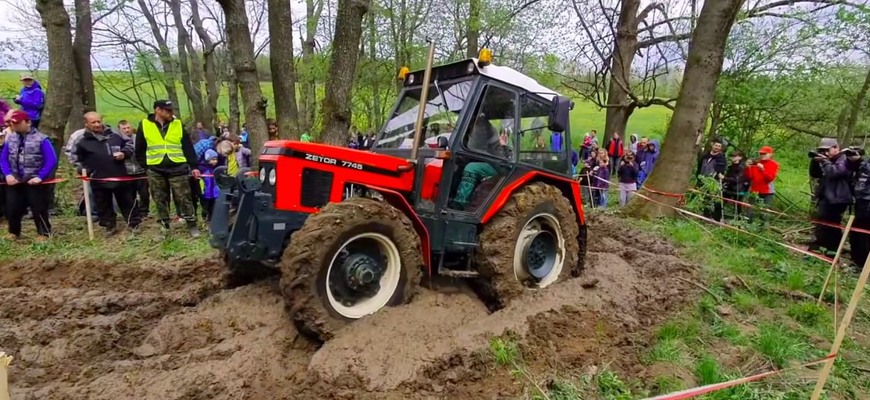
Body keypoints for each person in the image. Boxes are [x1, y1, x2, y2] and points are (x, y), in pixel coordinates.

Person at [135, 100, 202, 238]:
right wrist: (145, 166)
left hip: (178, 167)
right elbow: (139, 148)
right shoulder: (145, 124)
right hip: (155, 169)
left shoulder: (177, 124)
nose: (171, 113)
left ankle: (192, 224)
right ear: (158, 110)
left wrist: (194, 166)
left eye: (172, 110)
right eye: (168, 110)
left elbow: (187, 146)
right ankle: (164, 227)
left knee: (184, 198)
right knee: (159, 199)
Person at [75, 112, 141, 236]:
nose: (97, 124)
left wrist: (124, 153)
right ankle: (109, 225)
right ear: (86, 124)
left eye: (99, 121)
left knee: (127, 201)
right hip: (98, 178)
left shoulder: (116, 135)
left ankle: (133, 224)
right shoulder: (82, 141)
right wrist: (84, 169)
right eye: (93, 122)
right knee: (103, 204)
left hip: (120, 175)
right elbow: (77, 159)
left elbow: (130, 145)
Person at [0, 110, 57, 241]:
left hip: (35, 181)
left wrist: (40, 177)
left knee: (39, 208)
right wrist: (8, 174)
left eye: (18, 123)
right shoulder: (11, 139)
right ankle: (13, 232)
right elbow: (3, 159)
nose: (15, 126)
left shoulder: (42, 139)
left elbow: (51, 160)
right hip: (15, 180)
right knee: (12, 208)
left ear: (28, 122)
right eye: (13, 124)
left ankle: (44, 233)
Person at [808, 139, 851, 255]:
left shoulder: (845, 159)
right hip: (826, 197)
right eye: (822, 150)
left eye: (827, 150)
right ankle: (829, 250)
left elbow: (835, 172)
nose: (825, 153)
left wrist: (825, 161)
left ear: (836, 148)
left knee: (828, 224)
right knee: (827, 225)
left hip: (838, 198)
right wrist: (815, 161)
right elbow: (815, 174)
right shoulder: (827, 161)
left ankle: (819, 249)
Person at [118, 120, 150, 218]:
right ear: (119, 130)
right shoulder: (117, 141)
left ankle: (144, 212)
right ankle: (134, 213)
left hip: (140, 171)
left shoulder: (138, 138)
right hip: (126, 172)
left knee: (144, 194)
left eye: (128, 128)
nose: (127, 130)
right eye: (124, 128)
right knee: (130, 195)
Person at [744, 145, 780, 215]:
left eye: (764, 154)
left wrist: (762, 169)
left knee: (764, 213)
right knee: (750, 212)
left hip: (767, 192)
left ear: (770, 154)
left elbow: (770, 178)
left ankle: (764, 225)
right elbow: (748, 177)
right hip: (754, 191)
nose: (762, 155)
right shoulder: (756, 163)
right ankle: (748, 224)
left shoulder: (774, 164)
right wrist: (747, 167)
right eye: (761, 153)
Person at [721, 150, 749, 220]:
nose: (733, 158)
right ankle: (717, 218)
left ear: (740, 157)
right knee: (720, 203)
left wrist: (724, 178)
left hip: (738, 190)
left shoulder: (742, 167)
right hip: (728, 189)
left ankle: (738, 223)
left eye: (735, 156)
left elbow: (737, 179)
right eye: (732, 156)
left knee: (738, 208)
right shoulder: (730, 167)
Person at [199, 149, 220, 223]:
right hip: (206, 192)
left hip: (214, 193)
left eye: (216, 159)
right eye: (213, 159)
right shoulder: (202, 169)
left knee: (213, 206)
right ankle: (205, 218)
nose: (215, 161)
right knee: (205, 207)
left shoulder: (214, 169)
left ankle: (212, 219)